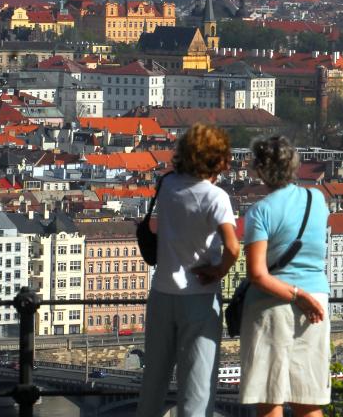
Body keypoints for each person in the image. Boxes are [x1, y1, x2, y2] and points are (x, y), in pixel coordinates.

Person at [137, 123, 240, 417]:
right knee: (196, 388)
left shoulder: (168, 185)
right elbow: (233, 248)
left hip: (161, 293)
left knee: (153, 382)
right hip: (199, 296)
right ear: (216, 158)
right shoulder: (215, 197)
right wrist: (219, 271)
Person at [239, 136, 330, 417]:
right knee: (309, 398)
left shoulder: (260, 212)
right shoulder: (318, 198)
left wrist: (294, 294)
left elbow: (257, 273)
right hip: (317, 301)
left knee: (270, 397)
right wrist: (304, 294)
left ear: (260, 170)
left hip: (272, 305)